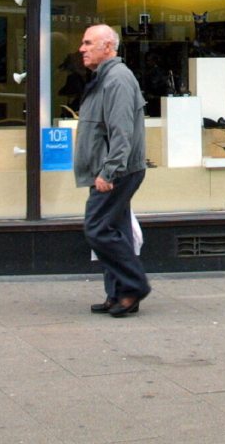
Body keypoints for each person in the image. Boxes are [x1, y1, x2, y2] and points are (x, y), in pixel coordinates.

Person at [75, 24, 151, 316]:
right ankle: (119, 294)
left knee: (97, 229)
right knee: (115, 229)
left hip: (116, 171)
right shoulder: (104, 78)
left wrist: (109, 172)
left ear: (107, 47)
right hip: (111, 169)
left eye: (88, 42)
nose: (82, 48)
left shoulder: (117, 79)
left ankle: (134, 285)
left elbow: (122, 133)